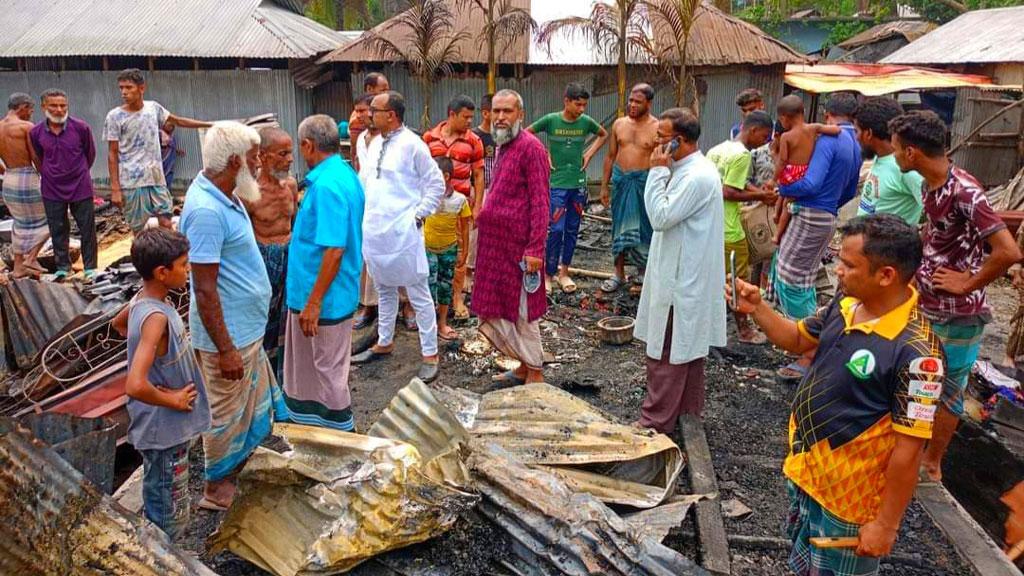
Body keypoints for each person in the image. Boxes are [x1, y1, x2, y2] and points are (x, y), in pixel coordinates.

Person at [728, 213, 946, 576]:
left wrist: (886, 525)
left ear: (886, 275)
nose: (838, 271)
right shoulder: (845, 306)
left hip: (851, 500)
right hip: (811, 473)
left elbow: (909, 451)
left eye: (847, 264)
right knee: (806, 562)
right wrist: (758, 309)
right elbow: (796, 339)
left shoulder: (918, 355)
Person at [889, 111, 1022, 481]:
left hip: (958, 313)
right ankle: (909, 453)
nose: (895, 157)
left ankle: (932, 465)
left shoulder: (965, 191)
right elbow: (936, 236)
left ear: (912, 152)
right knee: (918, 377)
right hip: (928, 302)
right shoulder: (931, 185)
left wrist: (968, 283)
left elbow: (1008, 251)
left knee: (947, 390)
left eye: (898, 150)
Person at [179, 121, 273, 510]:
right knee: (225, 413)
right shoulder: (204, 211)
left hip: (243, 329)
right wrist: (226, 349)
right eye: (253, 159)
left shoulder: (225, 195)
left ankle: (237, 470)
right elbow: (203, 288)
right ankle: (216, 490)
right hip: (228, 337)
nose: (260, 165)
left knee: (244, 407)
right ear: (234, 161)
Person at [635, 108, 725, 431]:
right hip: (683, 273)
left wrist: (656, 172)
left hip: (682, 281)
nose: (654, 144)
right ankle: (686, 414)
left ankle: (654, 421)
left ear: (679, 142)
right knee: (686, 350)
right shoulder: (689, 170)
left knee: (667, 352)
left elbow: (659, 217)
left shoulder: (696, 176)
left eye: (661, 139)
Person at [123, 227, 211, 541]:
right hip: (163, 433)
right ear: (162, 272)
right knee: (167, 512)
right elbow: (134, 384)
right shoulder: (156, 317)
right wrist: (172, 399)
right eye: (184, 265)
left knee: (168, 498)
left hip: (167, 431)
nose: (188, 270)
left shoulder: (143, 301)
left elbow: (117, 324)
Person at [352, 91, 444, 383]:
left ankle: (430, 354)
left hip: (403, 233)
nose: (369, 114)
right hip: (376, 232)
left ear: (390, 115)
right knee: (384, 290)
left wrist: (418, 216)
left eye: (374, 110)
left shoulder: (413, 145)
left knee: (418, 294)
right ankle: (384, 341)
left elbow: (436, 184)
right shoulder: (376, 142)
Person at [282, 115, 364, 432]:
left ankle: (343, 438)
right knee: (320, 368)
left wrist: (314, 302)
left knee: (327, 369)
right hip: (330, 292)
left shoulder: (327, 186)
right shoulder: (343, 173)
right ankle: (317, 429)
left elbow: (334, 249)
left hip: (324, 299)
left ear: (307, 144)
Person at [774, 92, 862, 381]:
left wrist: (782, 191)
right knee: (805, 277)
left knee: (791, 276)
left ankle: (809, 349)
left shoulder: (828, 140)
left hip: (811, 211)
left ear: (827, 113)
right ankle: (810, 340)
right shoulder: (854, 142)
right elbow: (850, 190)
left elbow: (810, 183)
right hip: (827, 214)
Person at [473, 89, 550, 385]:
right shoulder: (503, 145)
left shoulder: (532, 148)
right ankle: (522, 364)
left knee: (522, 311)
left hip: (520, 250)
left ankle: (536, 372)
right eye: (496, 111)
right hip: (496, 249)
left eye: (507, 111)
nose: (501, 117)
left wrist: (535, 249)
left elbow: (541, 202)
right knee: (500, 307)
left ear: (521, 115)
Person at [104, 68, 212, 233]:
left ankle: (168, 257)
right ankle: (144, 258)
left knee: (166, 224)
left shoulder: (153, 108)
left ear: (141, 88)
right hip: (133, 183)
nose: (124, 92)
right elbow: (112, 153)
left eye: (128, 87)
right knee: (139, 230)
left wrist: (209, 125)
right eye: (121, 88)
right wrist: (115, 188)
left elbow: (179, 121)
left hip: (156, 179)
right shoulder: (115, 117)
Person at [528, 82, 608, 293]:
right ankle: (548, 275)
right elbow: (527, 133)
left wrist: (589, 154)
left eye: (584, 105)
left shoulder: (586, 122)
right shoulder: (551, 120)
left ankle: (565, 273)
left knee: (572, 229)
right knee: (555, 229)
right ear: (566, 101)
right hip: (556, 185)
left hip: (578, 185)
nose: (582, 109)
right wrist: (544, 153)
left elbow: (603, 134)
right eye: (578, 104)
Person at [706, 110, 775, 345]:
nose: (764, 142)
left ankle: (709, 323)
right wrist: (761, 196)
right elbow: (728, 190)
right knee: (737, 279)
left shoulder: (717, 150)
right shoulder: (743, 155)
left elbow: (729, 183)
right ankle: (744, 330)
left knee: (713, 277)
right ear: (753, 130)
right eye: (764, 137)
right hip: (730, 229)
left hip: (710, 225)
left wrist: (758, 193)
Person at [240, 127, 298, 375]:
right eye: (282, 153)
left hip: (291, 256)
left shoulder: (291, 187)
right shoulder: (248, 193)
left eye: (290, 153)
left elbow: (294, 224)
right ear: (263, 156)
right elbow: (244, 237)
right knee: (263, 318)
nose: (290, 159)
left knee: (290, 317)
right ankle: (263, 372)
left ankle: (288, 373)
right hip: (263, 260)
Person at [423, 95, 484, 319]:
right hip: (431, 209)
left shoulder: (473, 141)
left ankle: (456, 299)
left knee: (459, 255)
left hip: (459, 209)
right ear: (452, 115)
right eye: (465, 117)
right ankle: (429, 303)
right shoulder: (429, 138)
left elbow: (478, 175)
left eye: (471, 117)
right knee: (429, 256)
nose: (470, 121)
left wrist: (477, 206)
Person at [28, 89, 98, 281]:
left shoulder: (81, 128)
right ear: (44, 107)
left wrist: (79, 171)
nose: (59, 109)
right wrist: (49, 174)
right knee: (58, 228)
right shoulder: (36, 132)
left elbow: (90, 154)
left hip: (80, 185)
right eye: (54, 105)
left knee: (87, 228)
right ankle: (63, 267)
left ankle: (90, 267)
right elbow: (38, 157)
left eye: (63, 105)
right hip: (52, 188)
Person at [600, 84, 659, 293]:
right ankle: (618, 273)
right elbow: (610, 156)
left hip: (644, 183)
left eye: (638, 102)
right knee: (618, 226)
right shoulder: (619, 124)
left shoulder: (657, 128)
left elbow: (661, 162)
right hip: (621, 182)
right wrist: (604, 187)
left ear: (649, 104)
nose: (632, 105)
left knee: (645, 228)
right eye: (631, 100)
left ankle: (643, 272)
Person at [773, 95, 843, 244]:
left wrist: (773, 179)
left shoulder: (786, 136)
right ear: (803, 112)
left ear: (784, 118)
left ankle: (777, 233)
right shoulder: (813, 128)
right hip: (806, 171)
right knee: (787, 198)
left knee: (785, 199)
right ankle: (777, 216)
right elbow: (836, 130)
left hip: (792, 173)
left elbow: (782, 161)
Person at [853, 97, 924, 226]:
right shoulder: (880, 157)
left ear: (868, 133)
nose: (855, 137)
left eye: (856, 131)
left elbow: (936, 214)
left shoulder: (906, 169)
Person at [0, 93, 48, 278]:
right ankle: (32, 257)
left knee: (19, 223)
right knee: (54, 218)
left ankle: (19, 265)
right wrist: (46, 176)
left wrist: (5, 171)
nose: (31, 113)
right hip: (27, 177)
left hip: (10, 178)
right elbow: (35, 156)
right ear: (22, 107)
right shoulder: (26, 127)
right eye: (31, 109)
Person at [424, 157, 471, 341]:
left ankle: (442, 323)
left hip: (449, 249)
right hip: (428, 248)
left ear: (445, 176)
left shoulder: (459, 200)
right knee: (428, 285)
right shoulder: (426, 196)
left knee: (445, 286)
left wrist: (464, 251)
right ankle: (428, 325)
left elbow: (465, 228)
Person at [352, 94, 381, 330]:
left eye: (364, 111)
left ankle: (407, 306)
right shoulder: (361, 137)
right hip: (365, 202)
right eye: (357, 111)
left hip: (387, 204)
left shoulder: (392, 138)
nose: (360, 115)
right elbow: (357, 166)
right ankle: (368, 305)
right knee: (366, 253)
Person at [469, 93, 497, 292]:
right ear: (486, 113)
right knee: (474, 233)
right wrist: (473, 191)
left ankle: (488, 271)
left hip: (497, 192)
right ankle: (470, 273)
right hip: (479, 190)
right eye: (496, 111)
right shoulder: (474, 136)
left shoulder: (502, 136)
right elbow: (474, 169)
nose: (501, 116)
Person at [160, 124, 183, 189]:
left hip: (170, 162)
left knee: (169, 175)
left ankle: (167, 192)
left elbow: (171, 147)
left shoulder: (171, 136)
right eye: (169, 125)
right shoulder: (160, 134)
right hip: (162, 161)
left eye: (173, 126)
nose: (171, 127)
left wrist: (177, 151)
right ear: (164, 125)